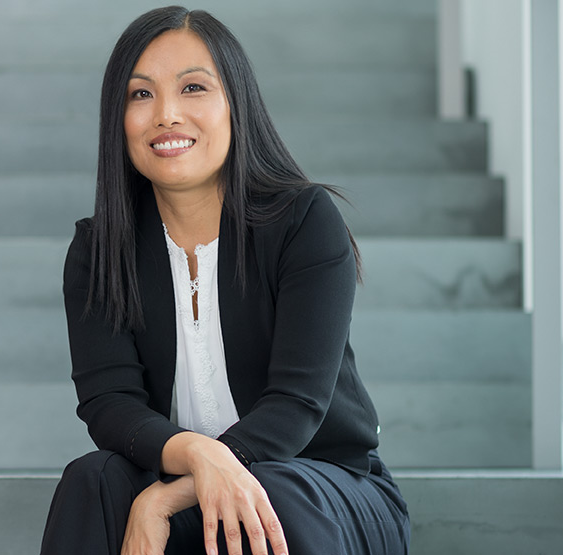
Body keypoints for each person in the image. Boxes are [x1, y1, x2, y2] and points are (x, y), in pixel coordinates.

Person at [40, 6, 410, 555]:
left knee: (269, 492)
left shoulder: (303, 221)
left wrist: (165, 499)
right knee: (92, 480)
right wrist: (197, 458)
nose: (166, 114)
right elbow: (109, 403)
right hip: (189, 483)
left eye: (192, 88)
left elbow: (297, 406)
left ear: (236, 102)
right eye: (140, 95)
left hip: (324, 488)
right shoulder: (99, 250)